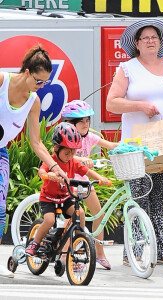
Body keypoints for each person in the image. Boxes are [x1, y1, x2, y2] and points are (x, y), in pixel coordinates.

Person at [106, 19, 163, 267]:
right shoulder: (127, 68)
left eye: (154, 37)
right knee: (138, 197)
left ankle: (161, 249)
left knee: (162, 199)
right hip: (136, 145)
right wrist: (141, 105)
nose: (151, 40)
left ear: (160, 41)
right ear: (136, 43)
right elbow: (111, 102)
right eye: (145, 37)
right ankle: (132, 252)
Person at [0, 45, 68, 278]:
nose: (41, 87)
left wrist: (56, 166)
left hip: (0, 153)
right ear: (27, 72)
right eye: (39, 81)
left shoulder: (33, 102)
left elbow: (36, 143)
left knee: (0, 210)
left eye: (45, 83)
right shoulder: (1, 81)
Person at [25, 122, 110, 261]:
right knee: (49, 220)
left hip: (64, 198)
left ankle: (78, 241)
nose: (70, 156)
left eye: (73, 152)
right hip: (49, 199)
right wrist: (48, 175)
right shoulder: (51, 160)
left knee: (80, 213)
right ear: (56, 148)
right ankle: (35, 243)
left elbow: (86, 171)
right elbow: (41, 170)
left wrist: (100, 178)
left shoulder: (73, 162)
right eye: (67, 152)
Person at [61, 100, 118, 270]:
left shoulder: (90, 137)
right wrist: (80, 159)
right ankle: (68, 255)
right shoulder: (66, 137)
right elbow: (64, 156)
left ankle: (99, 254)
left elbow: (109, 145)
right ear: (70, 123)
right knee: (76, 217)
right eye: (81, 122)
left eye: (87, 121)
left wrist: (126, 147)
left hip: (85, 182)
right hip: (70, 182)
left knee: (98, 214)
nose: (85, 125)